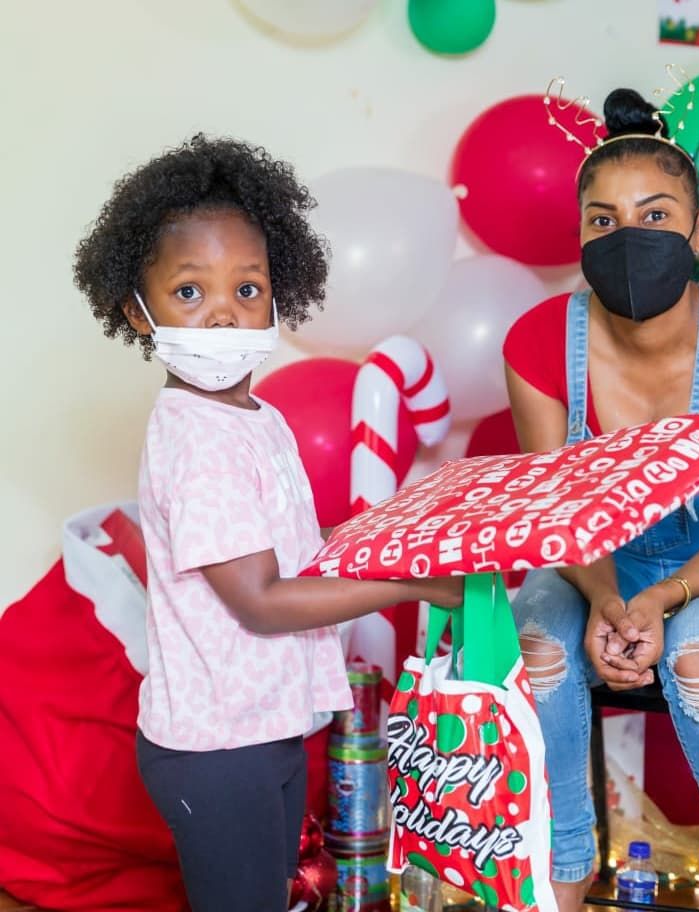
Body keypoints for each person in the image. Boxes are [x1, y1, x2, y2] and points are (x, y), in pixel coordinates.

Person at [73, 135, 463, 912]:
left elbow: (298, 554)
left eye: (247, 287)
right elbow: (260, 599)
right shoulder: (199, 439)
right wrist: (407, 584)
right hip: (218, 749)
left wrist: (404, 537)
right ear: (137, 311)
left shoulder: (257, 417)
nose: (223, 311)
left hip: (268, 725)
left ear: (279, 292)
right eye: (190, 291)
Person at [503, 89, 699, 912]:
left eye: (655, 215)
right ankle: (562, 866)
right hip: (593, 563)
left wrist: (659, 601)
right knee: (533, 635)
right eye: (603, 221)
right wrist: (611, 598)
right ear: (581, 237)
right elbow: (559, 520)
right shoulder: (538, 342)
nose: (628, 237)